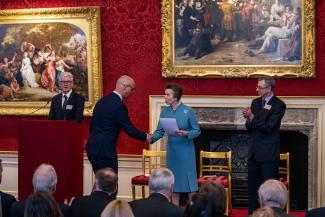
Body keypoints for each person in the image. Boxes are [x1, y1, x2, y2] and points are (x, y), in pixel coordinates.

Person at [85, 75, 151, 174]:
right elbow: (129, 129)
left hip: (93, 148)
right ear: (124, 87)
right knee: (109, 186)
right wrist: (146, 136)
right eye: (132, 89)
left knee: (101, 183)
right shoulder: (118, 105)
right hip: (105, 152)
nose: (132, 92)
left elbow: (92, 125)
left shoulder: (102, 101)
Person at [150, 83, 201, 205]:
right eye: (165, 94)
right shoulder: (164, 112)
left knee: (190, 185)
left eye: (168, 94)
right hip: (172, 151)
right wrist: (151, 138)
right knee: (174, 184)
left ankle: (193, 211)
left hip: (186, 151)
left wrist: (186, 133)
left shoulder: (188, 111)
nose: (165, 97)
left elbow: (197, 130)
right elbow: (160, 131)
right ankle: (175, 211)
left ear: (175, 97)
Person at [242, 76, 286, 214]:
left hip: (268, 153)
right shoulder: (255, 102)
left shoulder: (279, 105)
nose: (256, 89)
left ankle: (271, 215)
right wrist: (248, 119)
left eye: (259, 87)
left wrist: (253, 118)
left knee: (270, 190)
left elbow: (269, 127)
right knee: (253, 189)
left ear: (269, 89)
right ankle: (253, 214)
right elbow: (250, 127)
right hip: (254, 152)